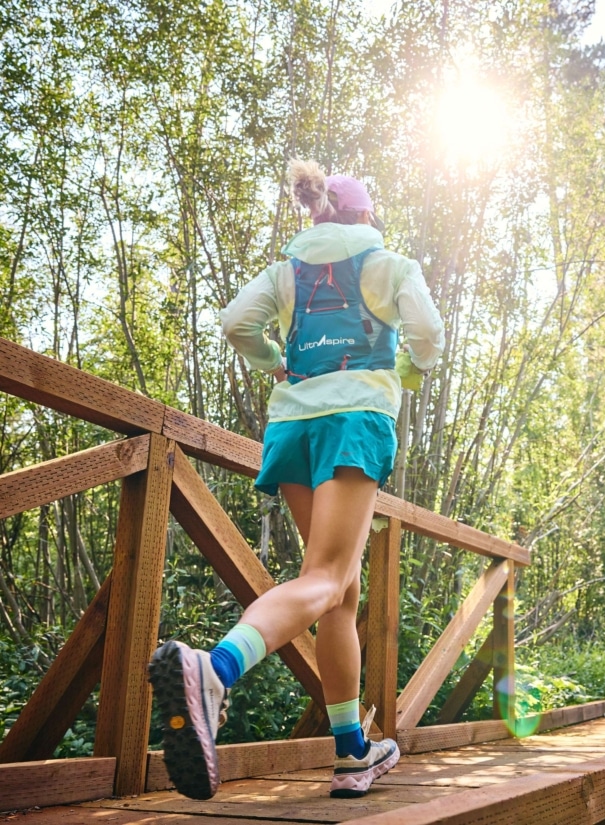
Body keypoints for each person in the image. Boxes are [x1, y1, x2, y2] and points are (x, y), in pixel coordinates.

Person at [148, 160, 445, 801]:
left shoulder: (285, 272)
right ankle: (214, 668)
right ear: (366, 216)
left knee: (340, 591)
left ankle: (351, 752)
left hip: (294, 429)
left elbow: (235, 324)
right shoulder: (390, 265)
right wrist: (409, 377)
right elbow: (427, 334)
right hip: (353, 423)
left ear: (316, 216)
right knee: (325, 579)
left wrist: (274, 364)